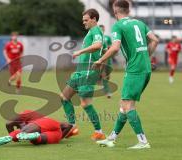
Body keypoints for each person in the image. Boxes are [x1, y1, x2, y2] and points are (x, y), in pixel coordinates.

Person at [94, 0, 159, 149]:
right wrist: (146, 58)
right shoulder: (139, 23)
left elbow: (115, 48)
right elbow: (154, 40)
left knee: (128, 105)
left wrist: (100, 60)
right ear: (128, 10)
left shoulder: (118, 25)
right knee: (123, 105)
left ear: (115, 11)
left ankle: (143, 141)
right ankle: (112, 138)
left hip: (135, 70)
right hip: (145, 69)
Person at [60, 8, 105, 141]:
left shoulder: (96, 31)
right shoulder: (91, 31)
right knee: (64, 97)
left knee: (85, 104)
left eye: (86, 20)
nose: (84, 23)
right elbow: (102, 48)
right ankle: (72, 127)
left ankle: (99, 131)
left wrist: (80, 52)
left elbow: (97, 45)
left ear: (94, 19)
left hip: (88, 73)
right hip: (80, 72)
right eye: (83, 20)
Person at [0, 110, 74, 147]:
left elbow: (8, 124)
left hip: (47, 124)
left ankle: (12, 136)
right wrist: (61, 138)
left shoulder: (27, 114)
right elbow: (69, 125)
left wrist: (13, 138)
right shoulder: (27, 119)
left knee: (23, 132)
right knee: (37, 140)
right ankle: (34, 137)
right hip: (56, 136)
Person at [99, 24, 113, 98]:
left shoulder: (107, 38)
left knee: (108, 76)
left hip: (108, 58)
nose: (101, 30)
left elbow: (111, 47)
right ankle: (107, 92)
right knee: (104, 75)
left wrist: (107, 47)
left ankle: (103, 83)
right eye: (100, 29)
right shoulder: (97, 38)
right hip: (101, 58)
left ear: (104, 30)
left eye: (102, 29)